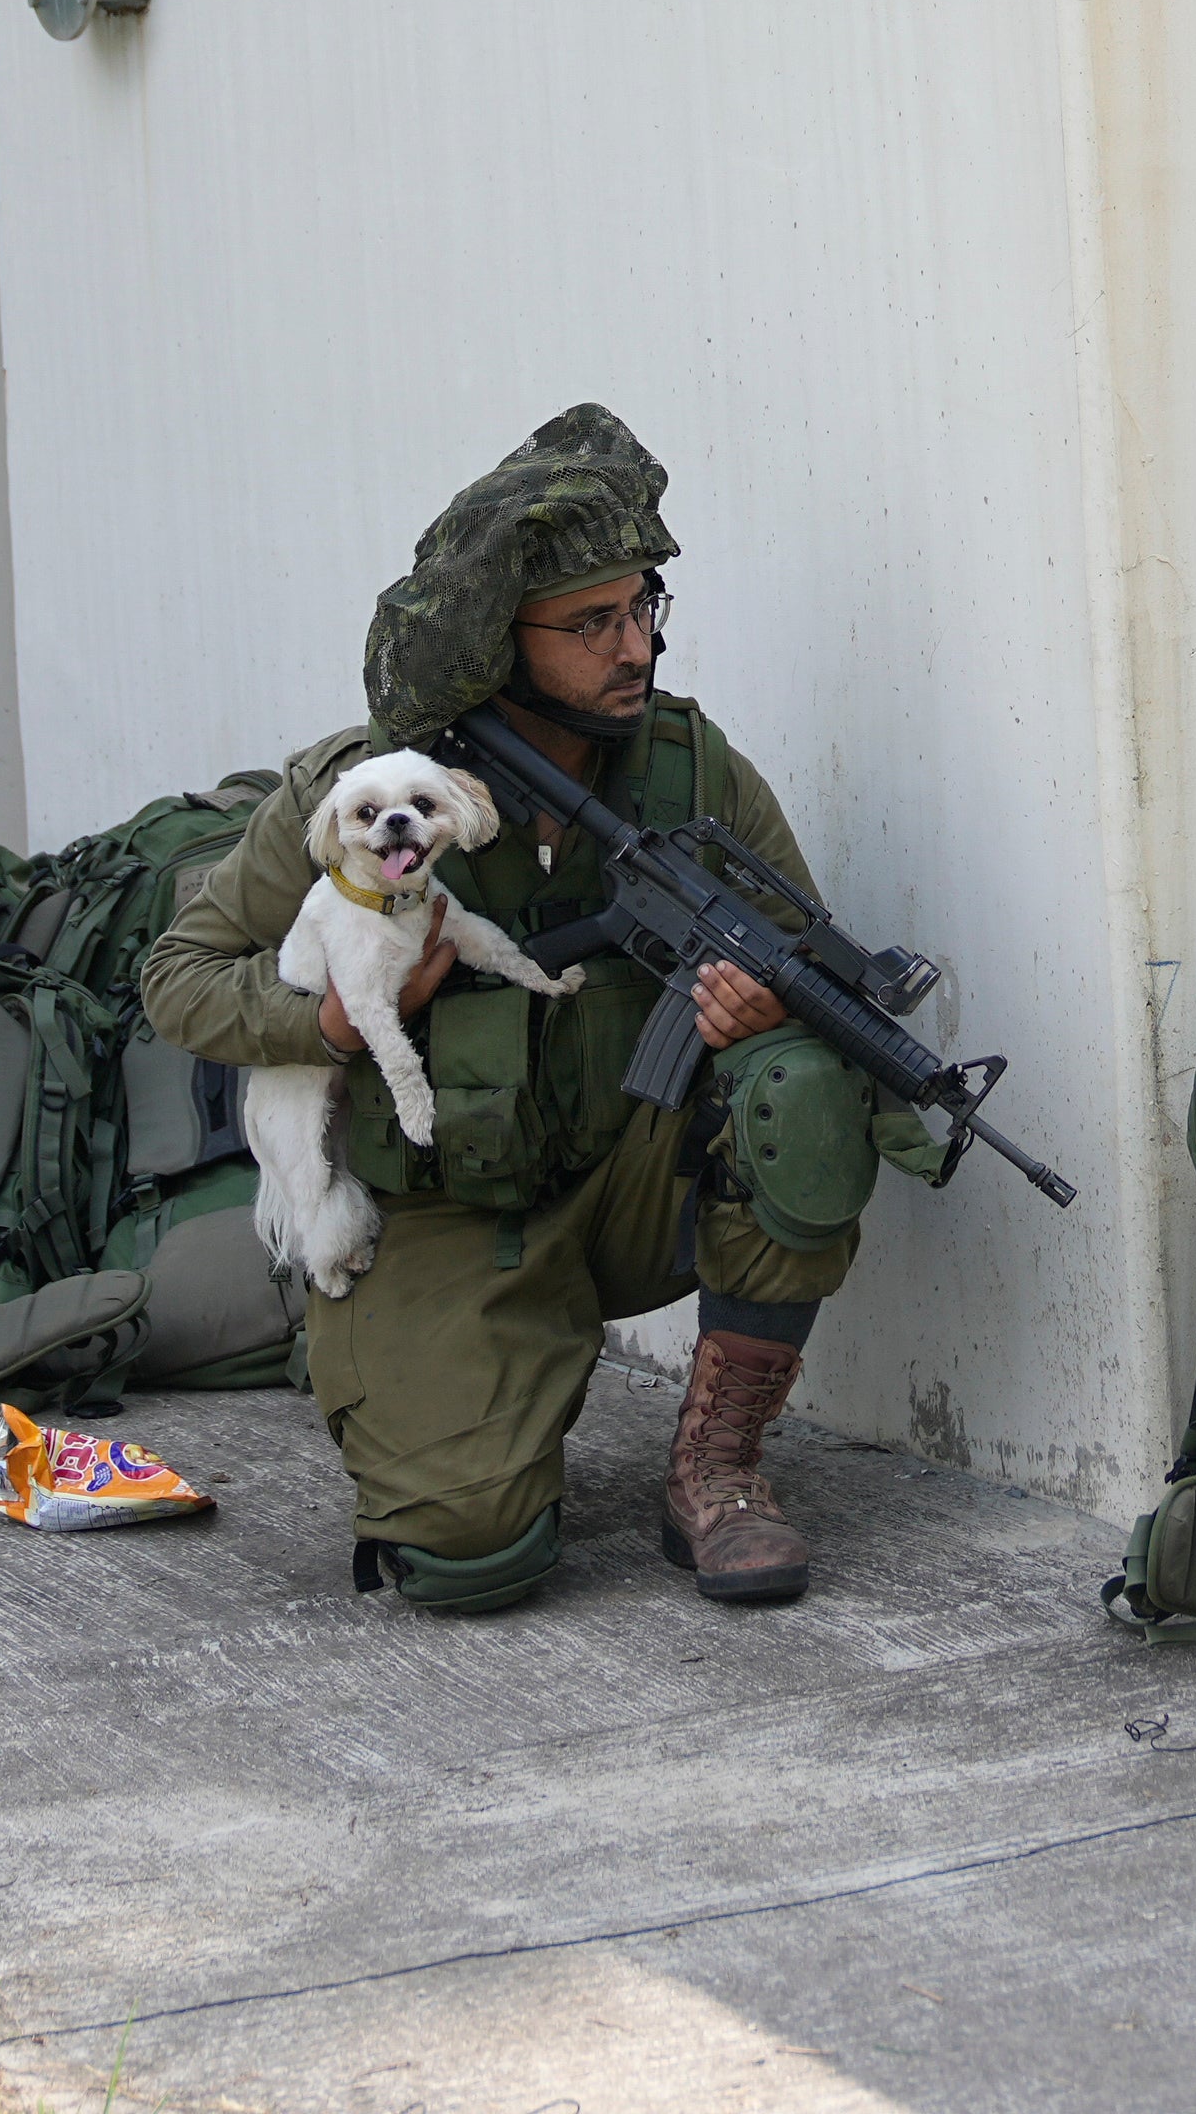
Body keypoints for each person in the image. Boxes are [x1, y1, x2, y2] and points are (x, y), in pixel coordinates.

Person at [144, 405, 947, 1618]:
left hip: (634, 1182)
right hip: (449, 1210)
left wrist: (761, 1012)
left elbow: (798, 956)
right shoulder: (367, 793)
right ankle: (477, 1394)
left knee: (804, 1073)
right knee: (469, 1561)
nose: (636, 648)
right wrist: (334, 1026)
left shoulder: (689, 769)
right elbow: (180, 977)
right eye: (592, 623)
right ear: (493, 647)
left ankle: (717, 1468)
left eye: (644, 611)